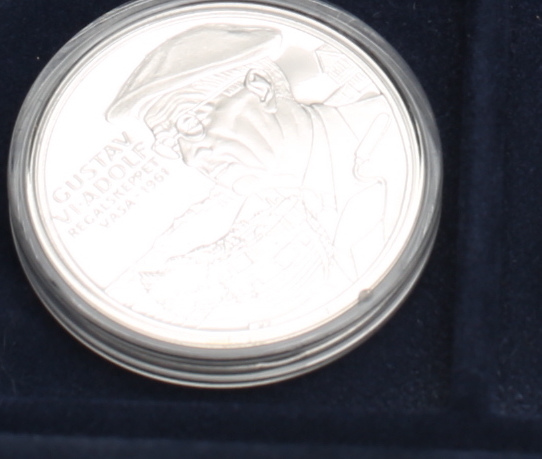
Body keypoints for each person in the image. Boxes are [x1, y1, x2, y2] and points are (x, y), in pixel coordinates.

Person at [95, 22, 400, 328]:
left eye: (190, 123)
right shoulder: (275, 215)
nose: (190, 156)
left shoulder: (394, 137)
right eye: (172, 144)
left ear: (260, 88)